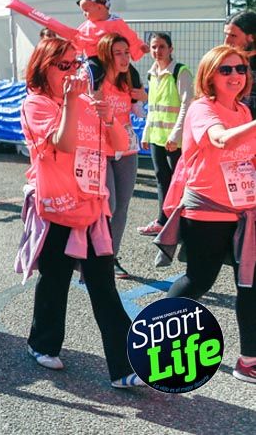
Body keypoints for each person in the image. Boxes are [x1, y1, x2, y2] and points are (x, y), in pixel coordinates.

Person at [16, 37, 143, 388]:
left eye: (76, 64)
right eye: (64, 65)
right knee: (55, 279)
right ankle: (42, 343)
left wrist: (109, 118)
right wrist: (73, 101)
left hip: (91, 207)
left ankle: (125, 367)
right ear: (44, 68)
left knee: (103, 285)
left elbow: (121, 145)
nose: (73, 71)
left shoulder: (86, 101)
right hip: (57, 206)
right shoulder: (36, 104)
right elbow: (64, 143)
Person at [161, 45, 256, 384]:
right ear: (209, 75)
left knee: (251, 284)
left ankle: (248, 360)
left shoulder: (243, 110)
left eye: (240, 69)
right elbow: (221, 141)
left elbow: (247, 157)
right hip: (207, 211)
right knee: (199, 280)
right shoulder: (202, 109)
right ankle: (156, 337)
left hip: (243, 211)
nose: (235, 75)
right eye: (225, 70)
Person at [95, 33, 145, 274]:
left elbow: (140, 110)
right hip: (101, 149)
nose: (125, 58)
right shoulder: (96, 80)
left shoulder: (129, 79)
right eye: (118, 53)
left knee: (122, 207)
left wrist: (144, 97)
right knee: (109, 205)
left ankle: (110, 258)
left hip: (127, 148)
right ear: (107, 55)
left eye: (127, 52)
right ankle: (95, 255)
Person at [137, 33, 193, 236]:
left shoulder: (180, 72)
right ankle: (163, 222)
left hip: (174, 140)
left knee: (180, 182)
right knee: (162, 179)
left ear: (171, 49)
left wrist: (176, 135)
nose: (157, 51)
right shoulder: (152, 73)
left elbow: (187, 104)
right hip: (156, 137)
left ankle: (184, 224)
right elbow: (152, 107)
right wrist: (146, 133)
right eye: (154, 47)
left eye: (161, 46)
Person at [224, 10, 256, 116]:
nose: (226, 42)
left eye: (233, 36)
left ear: (251, 37)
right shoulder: (225, 62)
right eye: (226, 35)